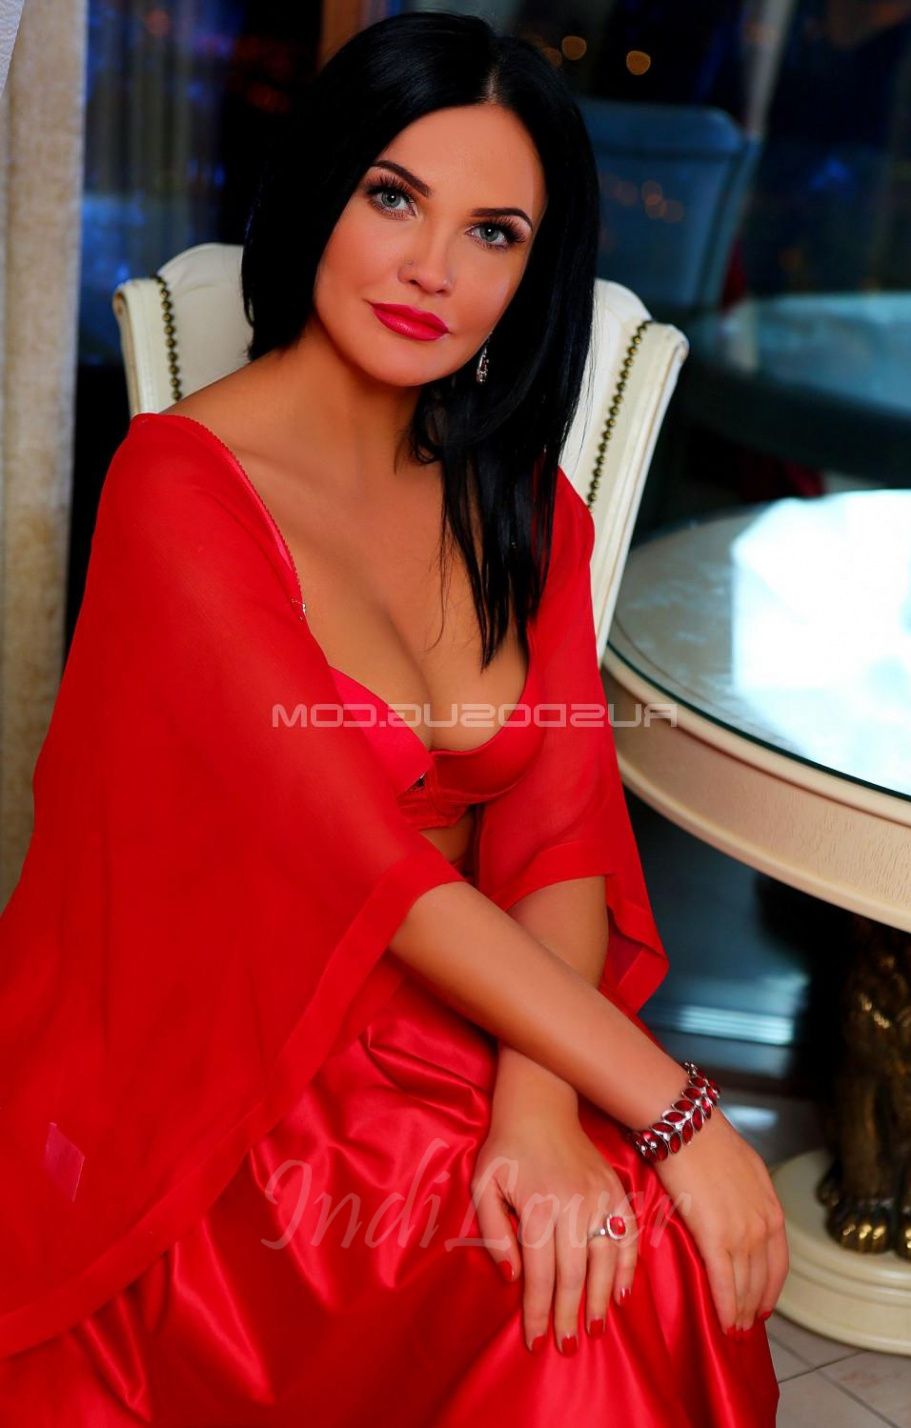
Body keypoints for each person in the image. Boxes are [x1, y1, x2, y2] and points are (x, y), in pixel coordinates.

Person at [0, 12, 785, 1423]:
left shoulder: (523, 502)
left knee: (608, 1235)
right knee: (568, 1290)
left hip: (470, 1002)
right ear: (320, 191)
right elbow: (367, 868)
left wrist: (540, 1112)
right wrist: (677, 1109)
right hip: (237, 1030)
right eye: (393, 197)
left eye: (493, 233)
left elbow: (557, 838)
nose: (433, 268)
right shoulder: (179, 490)